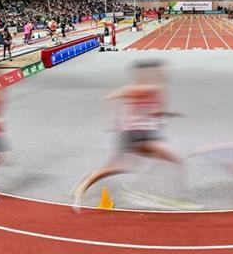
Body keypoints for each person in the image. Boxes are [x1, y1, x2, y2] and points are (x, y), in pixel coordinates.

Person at [71, 60, 182, 210]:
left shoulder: (156, 90)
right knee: (171, 159)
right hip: (135, 134)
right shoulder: (145, 88)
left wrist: (167, 115)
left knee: (120, 167)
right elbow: (110, 97)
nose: (166, 72)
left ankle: (88, 182)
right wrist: (113, 120)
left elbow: (152, 111)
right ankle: (86, 188)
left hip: (146, 133)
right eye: (162, 70)